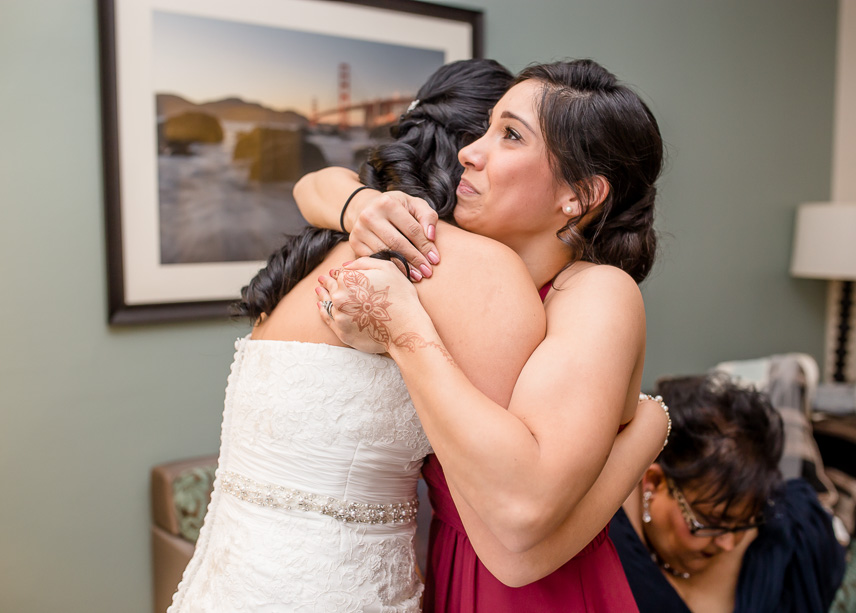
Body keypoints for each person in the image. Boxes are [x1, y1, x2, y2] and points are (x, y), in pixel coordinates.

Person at [168, 59, 667, 612]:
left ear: (578, 194)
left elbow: (519, 523)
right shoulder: (449, 267)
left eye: (509, 135)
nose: (471, 154)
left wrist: (652, 424)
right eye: (482, 131)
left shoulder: (557, 288)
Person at [608, 374, 847, 613]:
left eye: (741, 525)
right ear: (654, 482)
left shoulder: (786, 534)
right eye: (710, 521)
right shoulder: (606, 535)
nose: (728, 544)